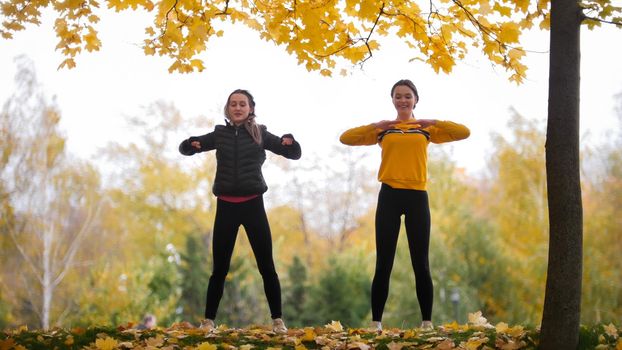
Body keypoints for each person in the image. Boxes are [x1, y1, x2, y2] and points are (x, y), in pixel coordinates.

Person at [339, 79, 470, 331]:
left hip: (417, 197)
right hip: (389, 196)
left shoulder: (425, 130)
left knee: (420, 262)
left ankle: (427, 322)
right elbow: (346, 138)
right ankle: (376, 322)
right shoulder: (384, 130)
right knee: (383, 262)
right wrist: (376, 125)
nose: (403, 100)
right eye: (398, 96)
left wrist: (433, 122)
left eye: (407, 96)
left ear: (415, 100)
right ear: (392, 100)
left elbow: (463, 132)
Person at [179, 89, 301, 334]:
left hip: (253, 205)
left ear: (250, 108)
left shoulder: (260, 134)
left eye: (242, 104)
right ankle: (208, 322)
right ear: (228, 109)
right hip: (225, 206)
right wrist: (190, 144)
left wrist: (290, 142)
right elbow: (186, 148)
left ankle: (278, 321)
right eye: (233, 104)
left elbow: (293, 153)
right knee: (219, 269)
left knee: (266, 266)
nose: (237, 107)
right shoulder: (219, 134)